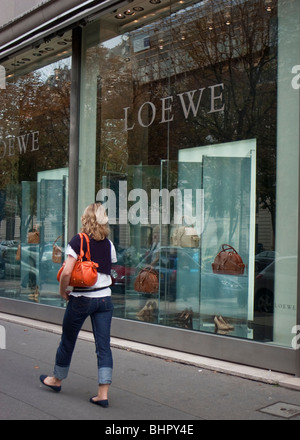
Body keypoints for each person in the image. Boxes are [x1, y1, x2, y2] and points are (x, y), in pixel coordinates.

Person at [40, 203, 117, 408]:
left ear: (86, 218)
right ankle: (102, 394)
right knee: (103, 347)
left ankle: (56, 379)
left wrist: (62, 290)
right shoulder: (109, 244)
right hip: (105, 301)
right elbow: (111, 270)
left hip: (82, 299)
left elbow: (66, 272)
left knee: (68, 339)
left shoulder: (78, 240)